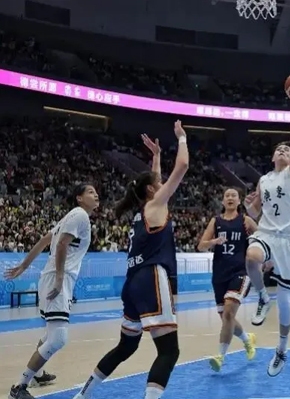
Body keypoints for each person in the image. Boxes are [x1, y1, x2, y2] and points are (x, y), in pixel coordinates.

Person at [73, 122, 188, 399]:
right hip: (151, 278)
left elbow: (152, 180)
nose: (162, 184)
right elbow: (183, 166)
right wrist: (182, 139)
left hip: (132, 283)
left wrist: (157, 157)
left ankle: (82, 395)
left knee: (126, 346)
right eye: (158, 184)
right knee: (169, 351)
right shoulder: (155, 205)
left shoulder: (142, 211)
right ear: (151, 190)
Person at [243, 85, 290, 377]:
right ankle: (261, 296)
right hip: (267, 234)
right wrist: (249, 206)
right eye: (279, 149)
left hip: (289, 242)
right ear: (273, 157)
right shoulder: (264, 179)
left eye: (287, 150)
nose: (284, 150)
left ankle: (282, 349)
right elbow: (255, 212)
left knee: (285, 301)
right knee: (251, 257)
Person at [6, 184, 99, 399]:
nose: (96, 194)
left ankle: (37, 375)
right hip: (58, 278)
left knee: (50, 334)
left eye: (96, 192)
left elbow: (43, 241)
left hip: (51, 278)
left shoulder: (69, 217)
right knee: (58, 339)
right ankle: (19, 387)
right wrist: (59, 278)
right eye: (90, 191)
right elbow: (61, 244)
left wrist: (24, 266)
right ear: (79, 198)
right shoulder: (80, 216)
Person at [197, 187, 258, 372]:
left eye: (234, 195)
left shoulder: (246, 221)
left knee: (229, 312)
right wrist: (213, 242)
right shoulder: (215, 221)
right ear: (223, 201)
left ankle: (220, 357)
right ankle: (247, 340)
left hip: (240, 272)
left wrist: (263, 258)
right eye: (227, 196)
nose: (230, 198)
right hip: (219, 275)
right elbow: (200, 246)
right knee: (226, 318)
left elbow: (263, 239)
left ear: (239, 201)